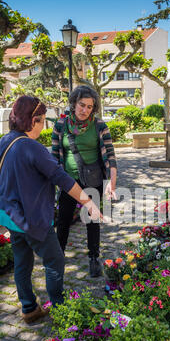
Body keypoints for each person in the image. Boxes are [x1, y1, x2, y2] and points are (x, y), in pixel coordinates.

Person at [0, 95, 101, 324]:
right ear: (33, 120)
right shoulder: (33, 148)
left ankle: (29, 308)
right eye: (42, 121)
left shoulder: (3, 142)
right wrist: (89, 202)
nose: (43, 127)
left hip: (11, 218)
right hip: (33, 220)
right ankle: (61, 310)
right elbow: (62, 178)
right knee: (55, 261)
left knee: (22, 263)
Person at [51, 85, 117, 277]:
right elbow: (54, 157)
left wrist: (112, 182)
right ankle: (58, 255)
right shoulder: (60, 126)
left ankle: (94, 257)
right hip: (68, 181)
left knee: (92, 219)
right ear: (73, 103)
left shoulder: (99, 126)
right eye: (82, 105)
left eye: (89, 107)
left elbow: (110, 156)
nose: (85, 110)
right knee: (63, 220)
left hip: (93, 179)